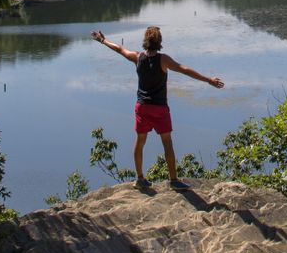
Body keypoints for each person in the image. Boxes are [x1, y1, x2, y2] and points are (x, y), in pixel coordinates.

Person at [90, 26, 224, 190]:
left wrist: (103, 40)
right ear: (159, 42)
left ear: (145, 42)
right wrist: (208, 80)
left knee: (140, 142)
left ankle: (140, 178)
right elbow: (184, 69)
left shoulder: (138, 57)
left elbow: (120, 49)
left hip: (142, 107)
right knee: (167, 143)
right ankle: (174, 180)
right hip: (159, 109)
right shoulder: (163, 59)